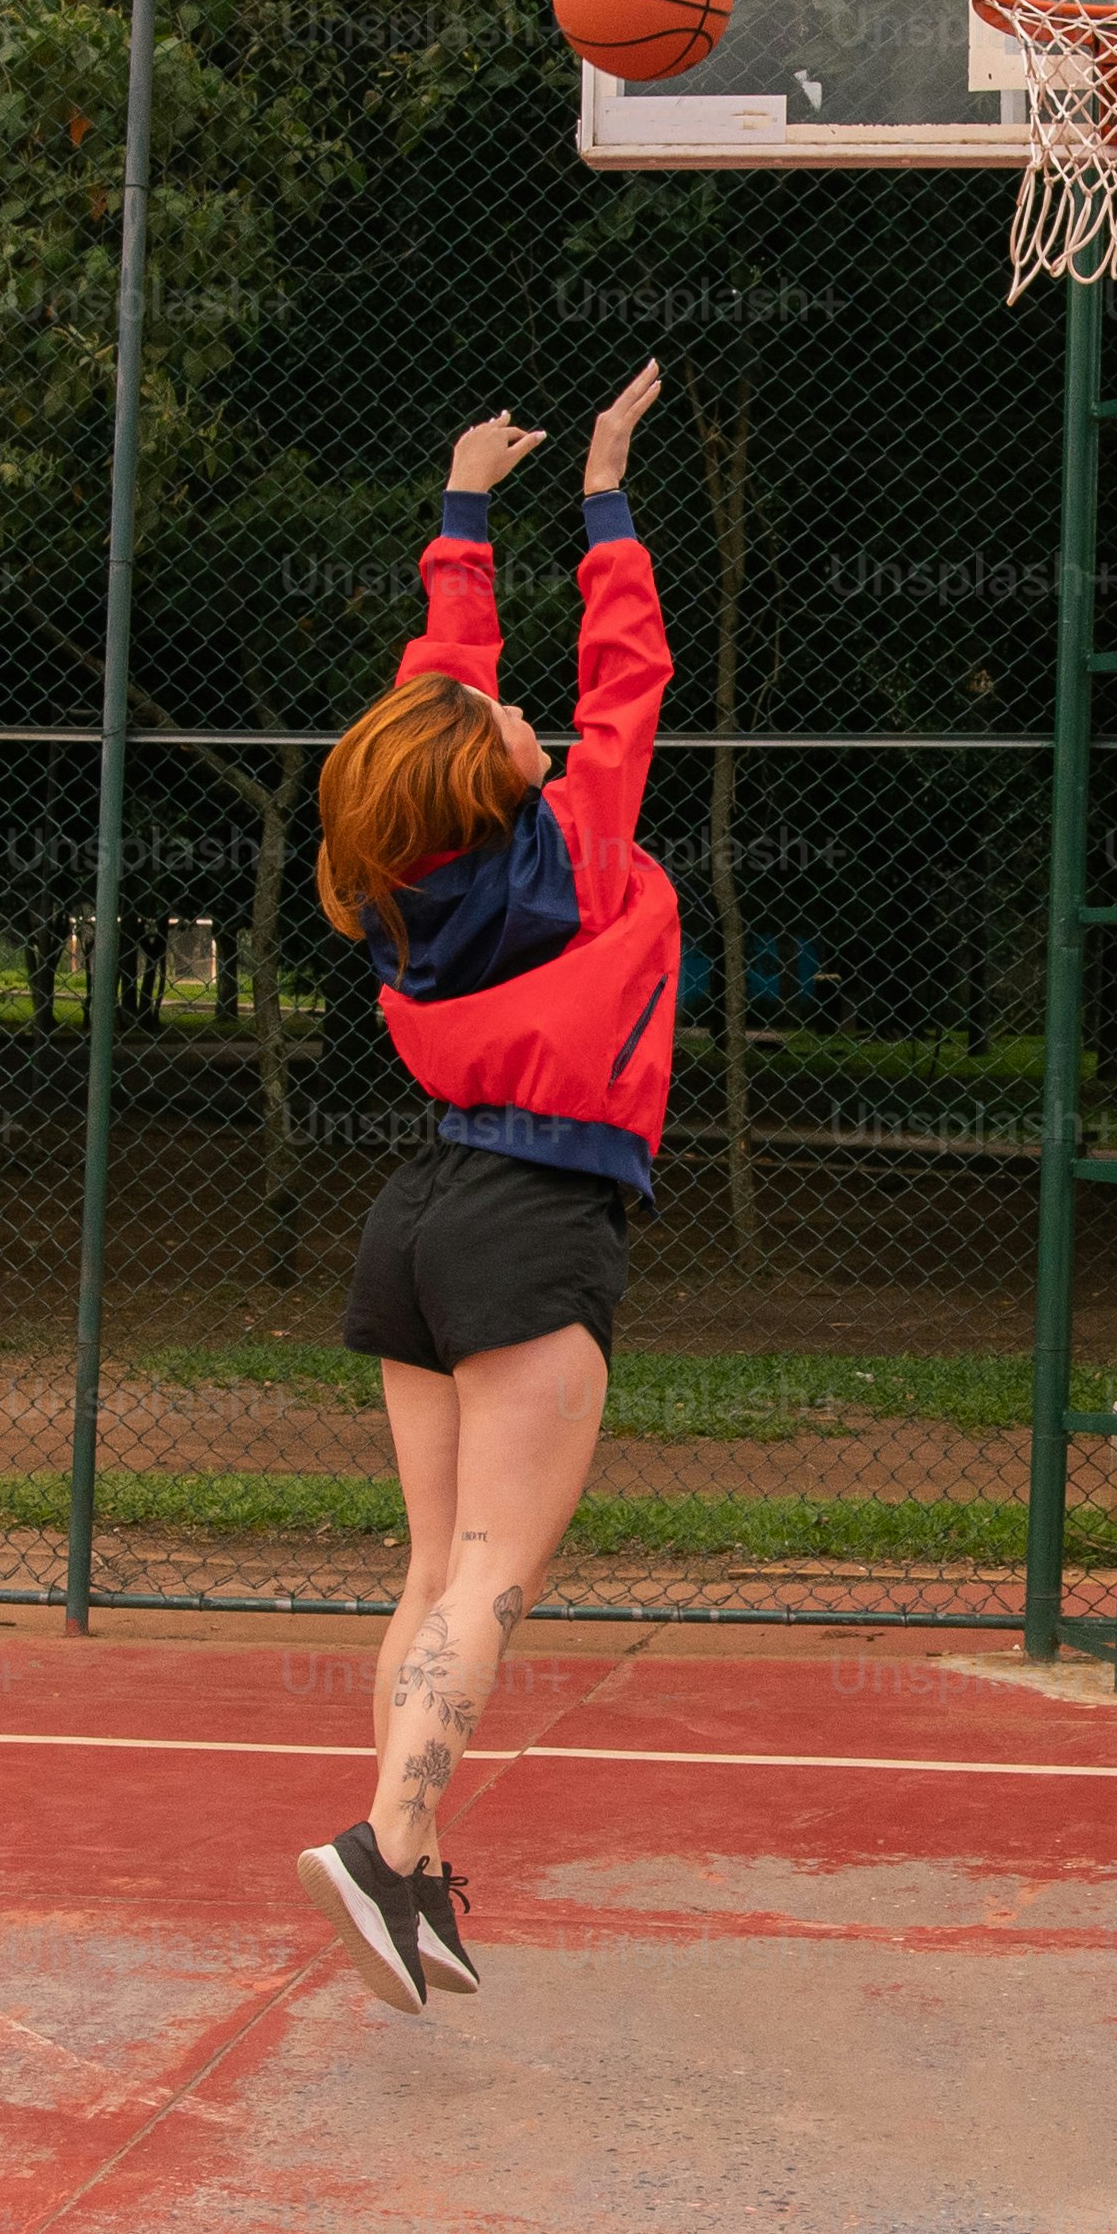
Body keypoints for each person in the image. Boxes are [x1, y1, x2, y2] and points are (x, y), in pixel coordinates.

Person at [295, 364, 673, 2014]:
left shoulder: (406, 879)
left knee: (431, 1569)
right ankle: (385, 1843)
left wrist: (464, 520)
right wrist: (600, 500)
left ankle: (414, 1858)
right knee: (492, 1578)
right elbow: (628, 673)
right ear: (498, 772)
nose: (533, 720)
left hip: (425, 1215)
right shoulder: (578, 843)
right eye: (512, 729)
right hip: (532, 1227)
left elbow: (435, 698)